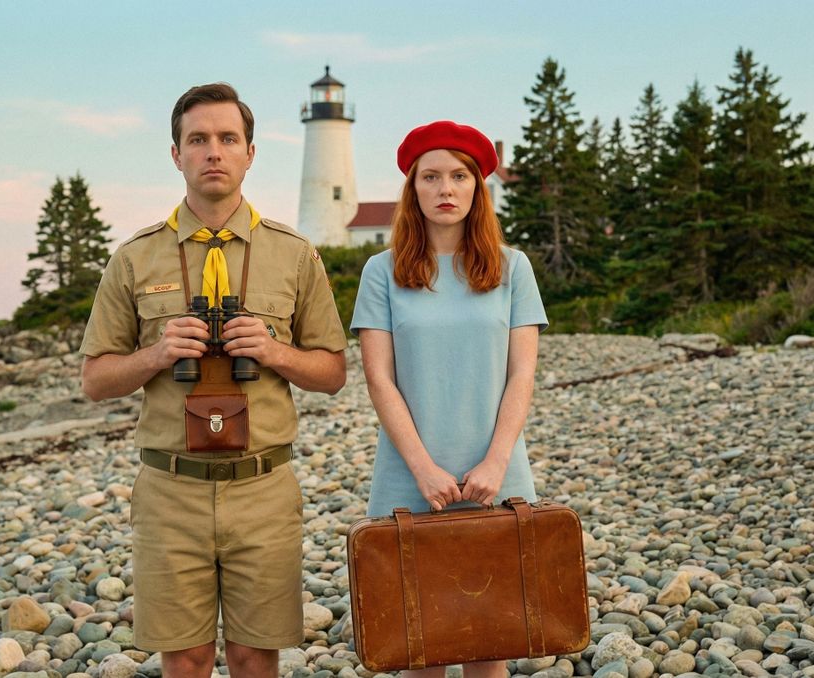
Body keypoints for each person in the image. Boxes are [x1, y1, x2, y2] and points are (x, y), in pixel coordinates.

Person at [80, 83, 347, 678]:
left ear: (251, 152)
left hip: (263, 488)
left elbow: (333, 371)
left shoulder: (295, 254)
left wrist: (275, 352)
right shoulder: (133, 258)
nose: (213, 152)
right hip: (171, 489)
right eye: (197, 139)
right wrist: (156, 354)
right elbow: (95, 380)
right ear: (175, 154)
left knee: (257, 655)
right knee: (187, 656)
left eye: (228, 139)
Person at [349, 120, 548, 678]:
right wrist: (423, 469)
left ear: (477, 186)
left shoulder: (513, 268)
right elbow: (380, 380)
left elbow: (521, 374)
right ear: (412, 188)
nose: (445, 188)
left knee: (491, 641)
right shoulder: (381, 272)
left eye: (459, 176)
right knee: (423, 644)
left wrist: (496, 459)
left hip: (497, 473)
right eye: (431, 176)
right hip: (409, 477)